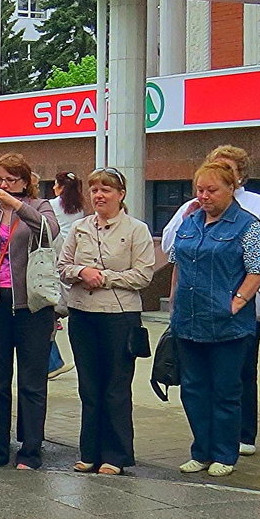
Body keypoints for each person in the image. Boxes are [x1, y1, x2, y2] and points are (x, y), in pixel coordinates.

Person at [162, 145, 260, 458]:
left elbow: (259, 266)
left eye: (211, 190)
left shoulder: (250, 221)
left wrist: (238, 302)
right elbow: (176, 260)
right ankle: (201, 451)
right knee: (193, 389)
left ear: (233, 186)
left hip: (229, 322)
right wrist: (174, 303)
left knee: (228, 389)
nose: (204, 196)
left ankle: (227, 452)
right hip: (189, 318)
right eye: (199, 189)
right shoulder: (190, 219)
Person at [57, 168, 155, 476]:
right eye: (95, 190)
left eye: (107, 190)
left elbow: (143, 275)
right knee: (89, 385)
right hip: (83, 314)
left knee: (115, 386)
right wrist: (80, 273)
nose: (99, 196)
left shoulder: (136, 229)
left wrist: (105, 278)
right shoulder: (80, 227)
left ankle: (116, 454)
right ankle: (90, 451)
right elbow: (63, 265)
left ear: (121, 194)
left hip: (119, 317)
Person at [0, 153, 60, 470]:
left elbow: (50, 230)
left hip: (31, 304)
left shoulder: (40, 206)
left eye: (9, 179)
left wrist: (16, 204)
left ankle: (31, 450)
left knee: (32, 380)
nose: (2, 185)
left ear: (24, 181)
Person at [47, 171, 85, 379]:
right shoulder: (78, 207)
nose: (53, 188)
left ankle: (51, 363)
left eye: (55, 184)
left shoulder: (53, 205)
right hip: (74, 252)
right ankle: (52, 362)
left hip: (55, 252)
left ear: (61, 186)